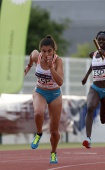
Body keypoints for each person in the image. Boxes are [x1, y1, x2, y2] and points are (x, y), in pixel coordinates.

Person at [24, 35, 64, 164]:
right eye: (44, 51)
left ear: (54, 51)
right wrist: (29, 66)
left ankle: (53, 153)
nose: (46, 54)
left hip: (55, 94)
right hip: (40, 91)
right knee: (38, 112)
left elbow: (60, 82)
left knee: (54, 131)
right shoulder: (37, 56)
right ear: (40, 50)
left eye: (49, 51)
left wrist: (51, 67)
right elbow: (32, 55)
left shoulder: (58, 61)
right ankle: (39, 134)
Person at [81, 31, 105, 149]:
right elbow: (93, 65)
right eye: (99, 40)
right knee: (90, 107)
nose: (101, 42)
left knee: (103, 120)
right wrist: (86, 76)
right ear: (96, 41)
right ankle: (88, 139)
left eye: (103, 40)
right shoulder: (93, 54)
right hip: (95, 88)